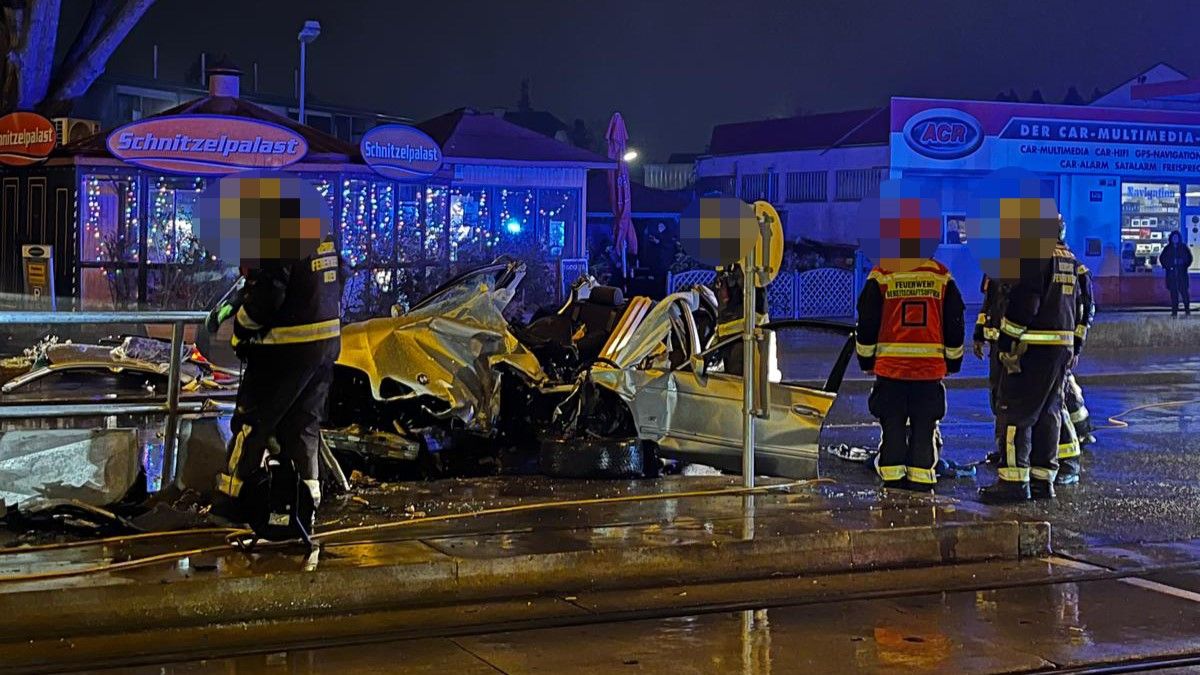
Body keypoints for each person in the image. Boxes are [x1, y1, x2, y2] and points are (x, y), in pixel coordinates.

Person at [213, 235, 343, 526]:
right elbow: (336, 279)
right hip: (324, 347)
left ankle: (230, 504)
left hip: (283, 351)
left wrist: (241, 329)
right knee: (303, 425)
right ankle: (303, 509)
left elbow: (269, 295)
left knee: (251, 424)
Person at [980, 236, 1078, 503]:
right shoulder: (1066, 257)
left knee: (1015, 413)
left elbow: (1026, 302)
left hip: (1031, 348)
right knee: (1048, 414)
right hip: (1059, 348)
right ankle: (1042, 481)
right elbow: (1076, 306)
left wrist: (1007, 342)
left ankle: (1013, 483)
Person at [855, 257, 965, 491]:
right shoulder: (941, 275)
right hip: (928, 371)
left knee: (892, 424)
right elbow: (954, 320)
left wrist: (866, 360)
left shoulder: (882, 273)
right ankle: (922, 481)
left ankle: (893, 481)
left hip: (891, 369)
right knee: (925, 426)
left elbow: (867, 319)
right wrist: (953, 362)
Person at [1055, 220, 1094, 485]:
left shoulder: (1075, 267)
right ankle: (1081, 431)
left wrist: (1076, 345)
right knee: (1065, 390)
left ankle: (1071, 451)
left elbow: (1086, 309)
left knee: (1060, 397)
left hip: (1059, 345)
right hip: (1059, 344)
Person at [1159, 231, 1193, 317]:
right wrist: (1169, 265)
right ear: (1171, 238)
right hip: (1172, 275)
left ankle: (1187, 311)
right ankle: (1174, 312)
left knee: (1185, 294)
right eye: (1174, 237)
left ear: (1179, 238)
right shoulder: (1167, 248)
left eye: (1177, 237)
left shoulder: (1184, 248)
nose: (1175, 239)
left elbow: (1189, 258)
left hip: (1182, 274)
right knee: (1174, 295)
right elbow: (1162, 259)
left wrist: (1183, 263)